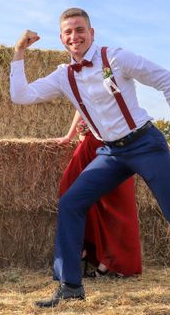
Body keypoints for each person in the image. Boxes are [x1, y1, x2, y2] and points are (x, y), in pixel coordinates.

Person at [10, 7, 170, 309]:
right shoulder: (63, 76)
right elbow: (20, 96)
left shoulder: (115, 58)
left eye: (80, 30)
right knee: (71, 202)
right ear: (61, 38)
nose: (74, 36)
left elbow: (167, 79)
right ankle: (70, 287)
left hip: (144, 143)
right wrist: (18, 53)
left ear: (91, 33)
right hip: (111, 152)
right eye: (68, 32)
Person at [57, 111, 142, 277]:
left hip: (112, 141)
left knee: (114, 202)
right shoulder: (82, 86)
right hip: (95, 141)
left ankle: (108, 260)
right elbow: (79, 106)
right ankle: (87, 249)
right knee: (74, 192)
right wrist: (72, 133)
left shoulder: (119, 86)